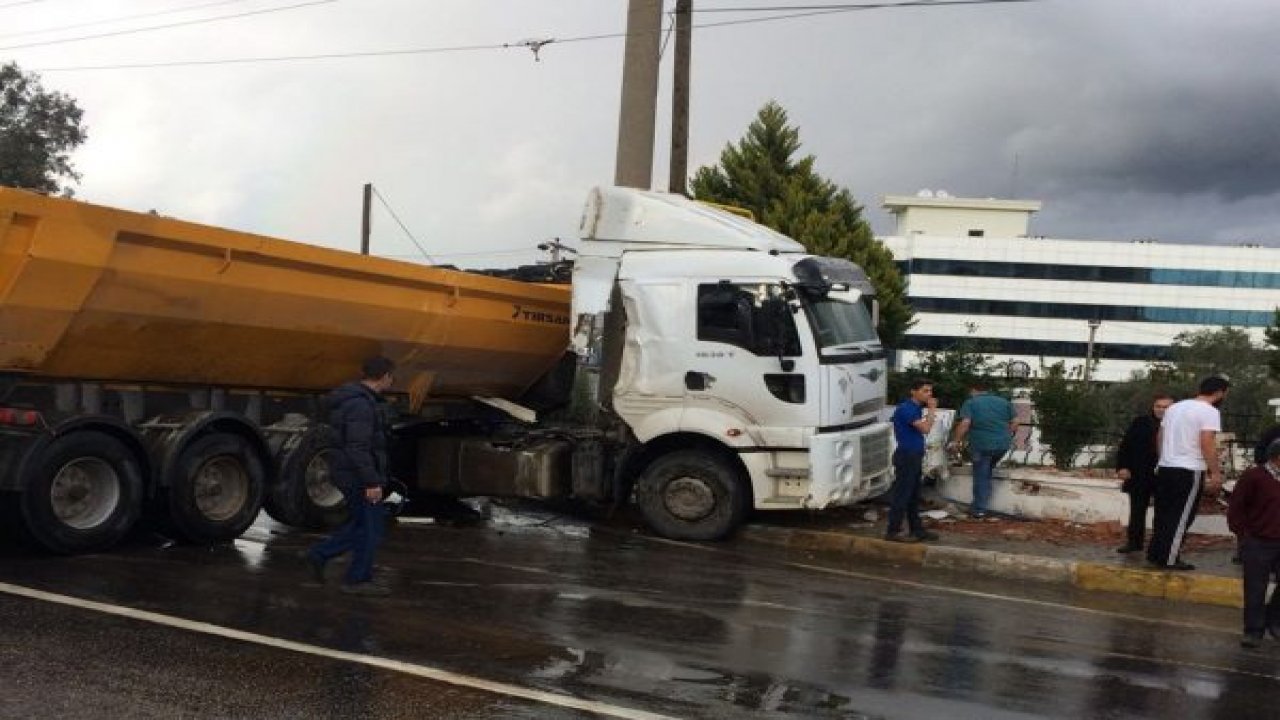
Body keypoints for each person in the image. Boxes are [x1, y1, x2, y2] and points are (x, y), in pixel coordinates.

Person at [305, 356, 397, 596]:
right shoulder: (361, 406)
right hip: (356, 475)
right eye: (391, 377)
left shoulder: (353, 400)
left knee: (362, 525)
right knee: (371, 529)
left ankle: (320, 555)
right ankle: (356, 579)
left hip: (347, 471)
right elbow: (358, 446)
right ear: (385, 376)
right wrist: (371, 481)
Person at [1147, 376, 1230, 572]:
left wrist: (1164, 459)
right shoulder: (1209, 412)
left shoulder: (1176, 408)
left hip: (1166, 467)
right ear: (1219, 393)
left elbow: (1161, 435)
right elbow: (1206, 442)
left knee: (1163, 513)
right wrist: (1215, 472)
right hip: (1189, 469)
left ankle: (1156, 553)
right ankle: (1170, 558)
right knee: (1181, 516)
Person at [1227, 440, 1280, 648]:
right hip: (1258, 541)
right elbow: (1236, 507)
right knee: (1255, 588)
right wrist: (1244, 536)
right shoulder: (1254, 477)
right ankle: (1253, 631)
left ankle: (1274, 621)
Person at [1114, 394, 1174, 554]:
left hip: (1166, 474)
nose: (1161, 410)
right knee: (1137, 510)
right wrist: (1122, 467)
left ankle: (1159, 546)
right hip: (1140, 473)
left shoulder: (1177, 425)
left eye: (1166, 407)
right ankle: (1134, 543)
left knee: (1163, 512)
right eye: (1158, 406)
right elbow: (1126, 445)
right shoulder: (1141, 422)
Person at [949, 381, 1016, 518]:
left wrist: (955, 441)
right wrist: (1005, 435)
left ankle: (979, 509)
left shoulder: (971, 402)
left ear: (973, 390)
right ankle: (980, 504)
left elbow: (965, 423)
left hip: (981, 445)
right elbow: (1016, 422)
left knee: (981, 476)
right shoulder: (1004, 402)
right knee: (986, 472)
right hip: (1002, 445)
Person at [886, 378, 941, 543]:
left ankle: (917, 529)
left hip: (914, 455)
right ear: (913, 391)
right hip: (907, 455)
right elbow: (925, 429)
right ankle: (893, 531)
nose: (929, 394)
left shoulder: (915, 409)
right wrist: (932, 410)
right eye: (925, 391)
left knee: (913, 495)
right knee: (902, 495)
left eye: (930, 391)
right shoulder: (907, 409)